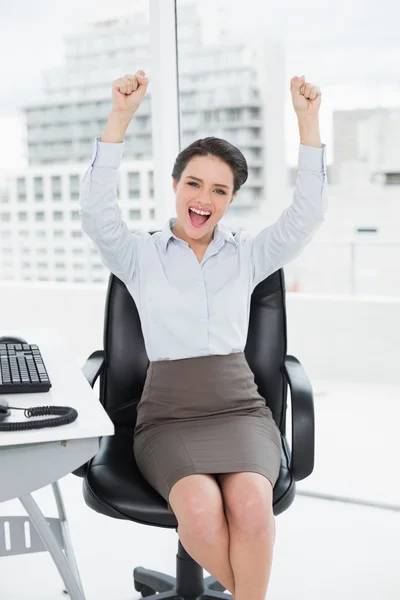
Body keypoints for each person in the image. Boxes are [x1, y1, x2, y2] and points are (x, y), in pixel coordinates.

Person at [79, 69, 326, 600]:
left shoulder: (248, 254)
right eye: (193, 183)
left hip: (239, 408)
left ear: (231, 198)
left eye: (219, 189)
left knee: (253, 508)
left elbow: (307, 215)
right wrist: (119, 117)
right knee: (199, 510)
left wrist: (308, 123)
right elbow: (97, 214)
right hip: (168, 416)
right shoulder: (138, 255)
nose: (203, 198)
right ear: (175, 186)